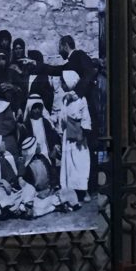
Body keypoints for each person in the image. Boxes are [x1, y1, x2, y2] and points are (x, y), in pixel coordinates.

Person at [58, 69, 92, 202]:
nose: (61, 83)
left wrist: (83, 133)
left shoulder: (81, 100)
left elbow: (86, 118)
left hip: (79, 139)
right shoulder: (65, 100)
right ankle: (71, 192)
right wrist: (61, 132)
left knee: (80, 164)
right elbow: (62, 118)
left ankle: (85, 191)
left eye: (63, 81)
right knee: (69, 165)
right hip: (68, 138)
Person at [0, 133, 32, 218]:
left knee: (30, 188)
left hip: (15, 187)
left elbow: (20, 163)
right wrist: (0, 181)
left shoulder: (9, 155)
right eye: (1, 142)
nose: (4, 143)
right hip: (3, 189)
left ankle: (21, 207)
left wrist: (20, 177)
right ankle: (14, 209)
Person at [19, 135, 61, 217]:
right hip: (38, 196)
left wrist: (52, 189)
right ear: (33, 149)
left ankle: (50, 206)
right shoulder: (26, 167)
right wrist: (39, 194)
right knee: (36, 205)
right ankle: (52, 207)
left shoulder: (43, 158)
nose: (39, 145)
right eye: (37, 145)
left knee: (62, 194)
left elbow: (52, 174)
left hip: (49, 191)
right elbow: (30, 188)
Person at [20, 94, 59, 161]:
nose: (37, 110)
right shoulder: (26, 125)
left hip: (48, 155)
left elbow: (53, 137)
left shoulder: (45, 122)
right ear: (30, 108)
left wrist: (54, 149)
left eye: (39, 108)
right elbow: (22, 144)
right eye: (34, 108)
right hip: (33, 158)